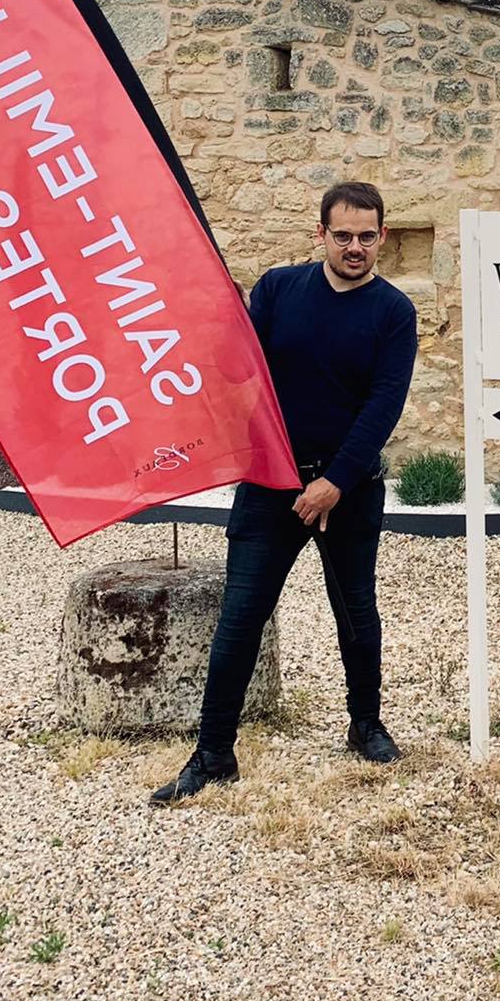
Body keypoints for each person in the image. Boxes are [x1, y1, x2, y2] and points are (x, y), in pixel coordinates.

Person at [151, 181, 418, 805]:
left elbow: (383, 407)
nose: (356, 247)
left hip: (348, 488)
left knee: (356, 613)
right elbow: (235, 365)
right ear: (319, 234)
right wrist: (222, 317)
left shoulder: (393, 313)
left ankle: (365, 725)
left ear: (381, 236)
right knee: (240, 617)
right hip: (271, 482)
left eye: (367, 236)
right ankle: (213, 752)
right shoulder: (278, 289)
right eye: (344, 235)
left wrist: (334, 483)